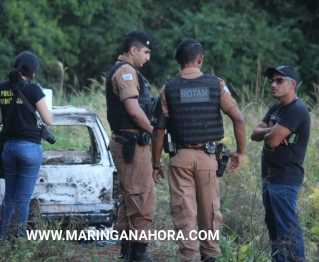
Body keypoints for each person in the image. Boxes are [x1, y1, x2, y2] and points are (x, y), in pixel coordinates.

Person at [151, 38, 246, 262]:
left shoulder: (168, 88)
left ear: (179, 62)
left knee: (184, 213)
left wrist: (155, 164)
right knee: (210, 211)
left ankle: (189, 257)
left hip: (180, 158)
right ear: (200, 59)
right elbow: (238, 119)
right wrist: (239, 152)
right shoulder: (217, 85)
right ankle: (210, 256)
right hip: (208, 158)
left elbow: (158, 132)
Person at [250, 65, 309, 262]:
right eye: (271, 81)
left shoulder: (296, 110)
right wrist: (274, 130)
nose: (273, 85)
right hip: (270, 179)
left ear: (293, 84)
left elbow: (272, 141)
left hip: (284, 180)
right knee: (274, 227)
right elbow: (254, 134)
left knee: (288, 230)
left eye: (279, 80)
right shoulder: (277, 108)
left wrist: (271, 133)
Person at [105, 30, 155, 262]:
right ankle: (138, 253)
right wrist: (154, 132)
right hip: (132, 145)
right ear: (133, 50)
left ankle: (127, 252)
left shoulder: (126, 70)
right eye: (146, 52)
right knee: (141, 197)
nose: (148, 58)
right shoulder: (125, 70)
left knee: (128, 197)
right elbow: (134, 110)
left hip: (129, 144)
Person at [0, 51, 52, 242]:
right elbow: (48, 120)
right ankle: (18, 242)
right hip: (29, 149)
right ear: (32, 71)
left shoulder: (0, 88)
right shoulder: (34, 89)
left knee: (9, 197)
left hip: (8, 149)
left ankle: (0, 239)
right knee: (23, 199)